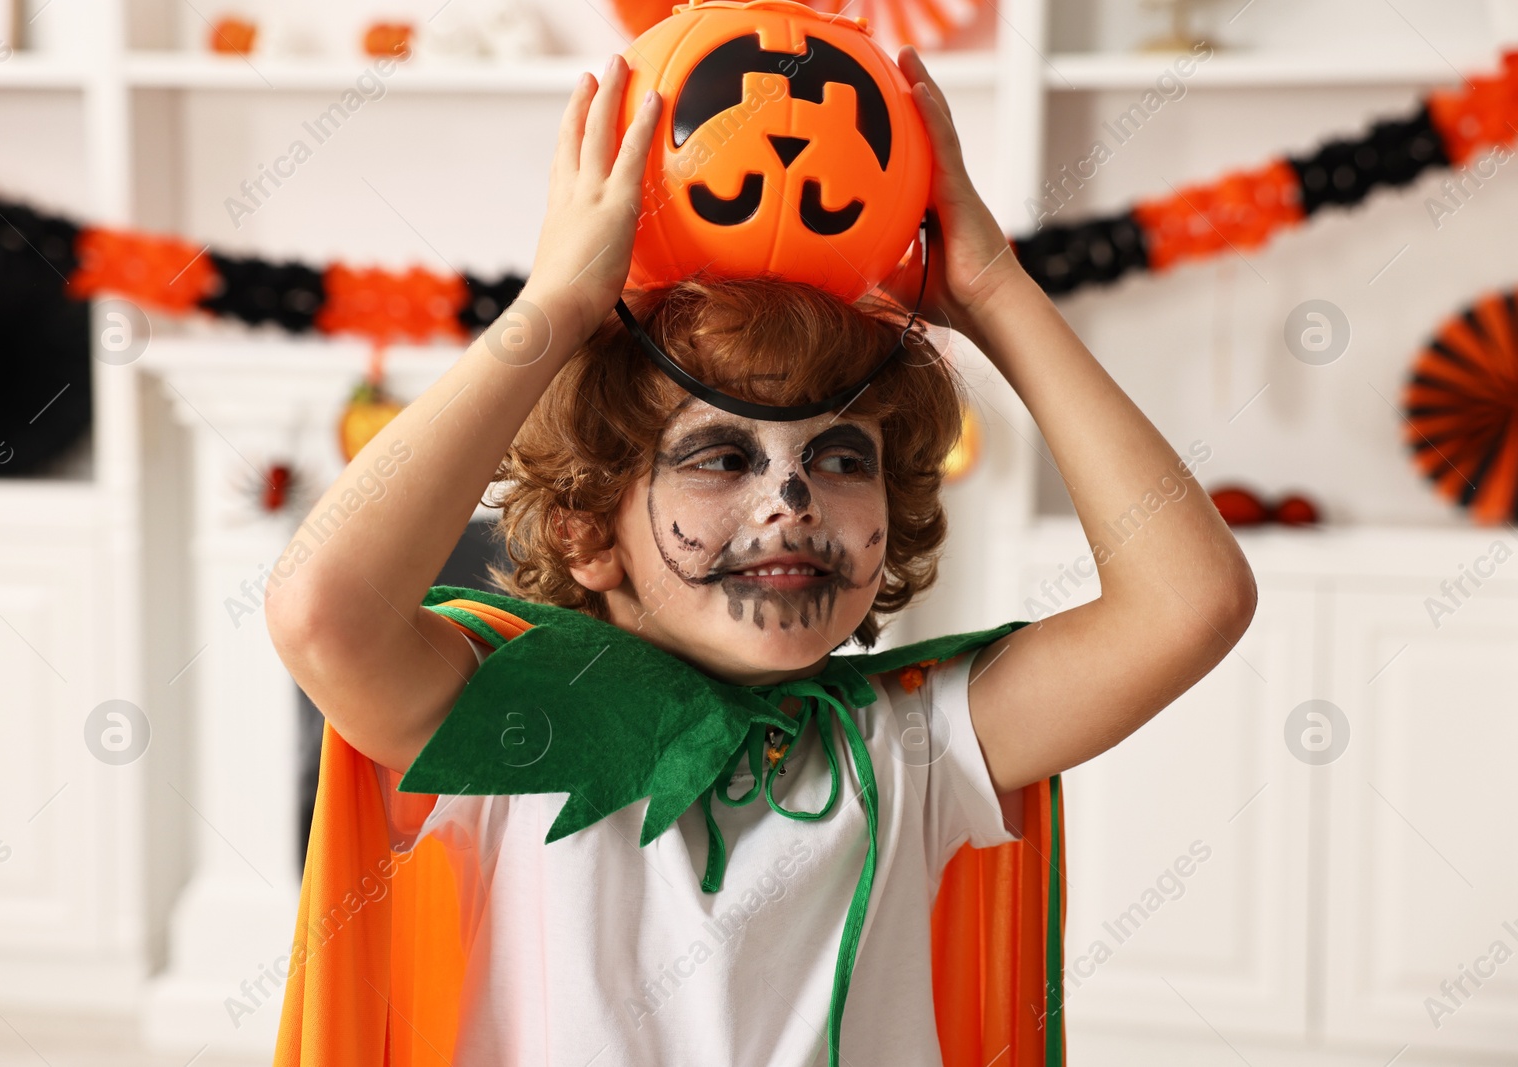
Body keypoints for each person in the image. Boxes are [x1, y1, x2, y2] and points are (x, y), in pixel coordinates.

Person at [265, 46, 1256, 1067]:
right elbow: (321, 611)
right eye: (721, 455)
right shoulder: (510, 726)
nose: (790, 504)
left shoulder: (909, 747)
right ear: (586, 530)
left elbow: (1193, 602)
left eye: (837, 456)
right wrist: (555, 308)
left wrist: (995, 293)